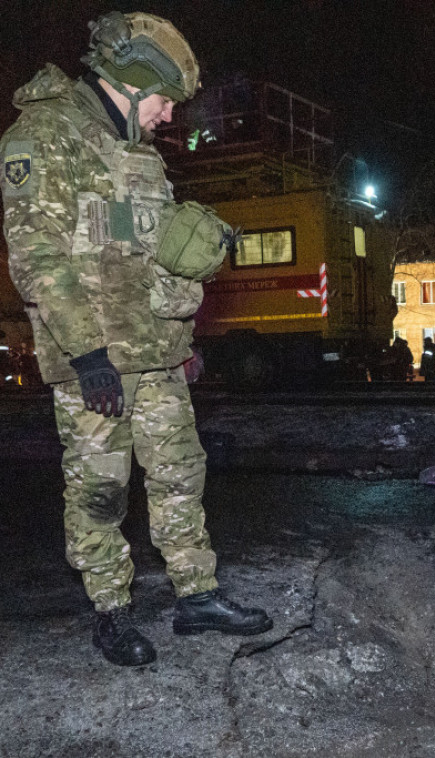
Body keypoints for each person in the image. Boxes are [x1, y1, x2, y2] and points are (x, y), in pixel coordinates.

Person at [0, 11, 271, 667]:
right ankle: (111, 613)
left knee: (181, 471)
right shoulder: (41, 137)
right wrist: (88, 354)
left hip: (157, 356)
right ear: (129, 82)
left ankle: (197, 595)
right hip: (92, 359)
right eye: (163, 101)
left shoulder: (142, 155)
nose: (168, 116)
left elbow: (154, 257)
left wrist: (181, 336)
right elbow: (37, 261)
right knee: (100, 490)